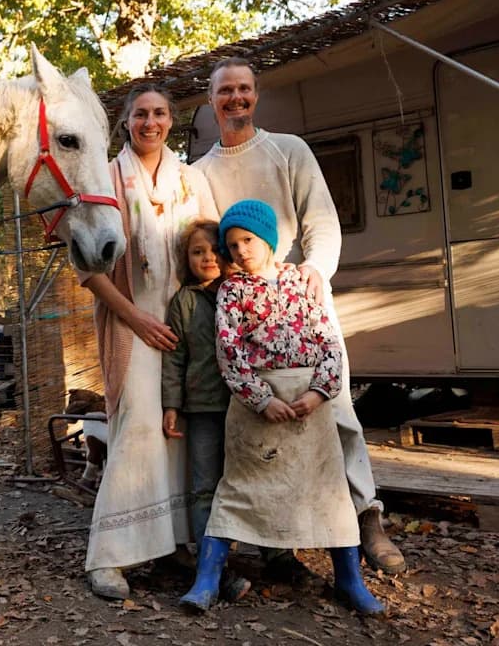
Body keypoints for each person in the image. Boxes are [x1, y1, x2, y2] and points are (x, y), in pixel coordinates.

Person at [190, 57, 406, 577]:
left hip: (297, 297)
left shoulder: (288, 149)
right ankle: (274, 543)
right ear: (211, 99)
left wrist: (314, 270)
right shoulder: (198, 172)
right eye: (225, 91)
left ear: (256, 95)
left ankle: (365, 518)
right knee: (256, 428)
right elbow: (198, 237)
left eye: (244, 89)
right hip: (241, 310)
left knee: (337, 413)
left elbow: (322, 219)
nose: (235, 98)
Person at [179, 199, 384, 616]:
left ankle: (350, 580)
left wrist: (320, 392)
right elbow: (229, 350)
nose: (240, 252)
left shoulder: (300, 282)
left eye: (248, 241)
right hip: (257, 409)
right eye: (232, 246)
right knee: (238, 491)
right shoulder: (233, 291)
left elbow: (328, 341)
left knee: (330, 492)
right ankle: (208, 580)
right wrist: (260, 398)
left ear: (268, 240)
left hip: (311, 405)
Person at [79, 84, 218, 600]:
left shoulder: (192, 179)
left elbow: (212, 248)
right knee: (137, 427)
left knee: (179, 432)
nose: (151, 122)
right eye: (141, 114)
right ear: (126, 122)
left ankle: (176, 542)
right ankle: (110, 557)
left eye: (160, 113)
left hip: (186, 326)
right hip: (131, 321)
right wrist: (135, 318)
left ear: (171, 120)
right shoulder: (106, 177)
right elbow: (87, 269)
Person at [161, 217, 251, 602]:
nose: (209, 257)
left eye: (215, 249)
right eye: (198, 252)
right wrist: (171, 405)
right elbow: (175, 358)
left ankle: (278, 556)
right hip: (202, 407)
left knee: (252, 482)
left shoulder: (243, 290)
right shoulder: (183, 301)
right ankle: (211, 570)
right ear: (186, 258)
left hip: (247, 406)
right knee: (203, 488)